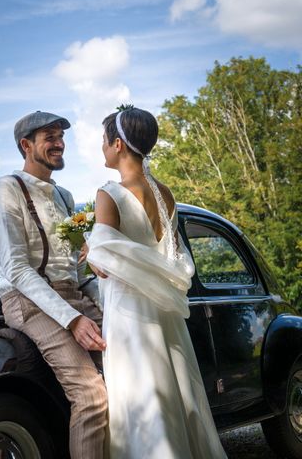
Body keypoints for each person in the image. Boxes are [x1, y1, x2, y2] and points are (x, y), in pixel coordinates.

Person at [86, 106, 227, 458]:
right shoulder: (165, 193)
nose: (102, 147)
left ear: (118, 144)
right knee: (177, 394)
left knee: (140, 395)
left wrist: (87, 249)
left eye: (104, 140)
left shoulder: (110, 193)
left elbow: (103, 263)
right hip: (164, 312)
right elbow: (173, 255)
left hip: (130, 312)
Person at [0, 111, 108, 458]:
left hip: (71, 298)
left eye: (60, 136)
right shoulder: (6, 189)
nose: (59, 143)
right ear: (26, 145)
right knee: (91, 396)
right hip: (28, 302)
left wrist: (108, 301)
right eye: (49, 137)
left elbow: (76, 270)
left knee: (130, 372)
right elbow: (16, 269)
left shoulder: (65, 196)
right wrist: (73, 320)